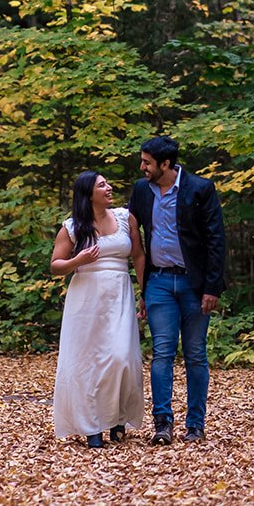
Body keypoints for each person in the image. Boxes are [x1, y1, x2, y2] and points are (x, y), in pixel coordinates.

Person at [127, 135, 226, 445]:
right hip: (158, 282)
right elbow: (131, 234)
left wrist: (212, 287)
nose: (142, 167)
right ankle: (162, 424)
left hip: (193, 284)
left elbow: (216, 240)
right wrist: (143, 288)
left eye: (147, 162)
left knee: (195, 354)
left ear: (165, 164)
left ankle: (195, 425)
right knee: (162, 352)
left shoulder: (200, 189)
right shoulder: (141, 190)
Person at [50, 170, 145, 448]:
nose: (109, 188)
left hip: (119, 294)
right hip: (86, 300)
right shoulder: (72, 227)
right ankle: (91, 426)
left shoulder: (126, 218)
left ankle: (117, 418)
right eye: (102, 185)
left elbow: (139, 255)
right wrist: (76, 260)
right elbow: (55, 265)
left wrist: (145, 293)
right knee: (88, 362)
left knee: (121, 357)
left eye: (107, 183)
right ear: (88, 194)